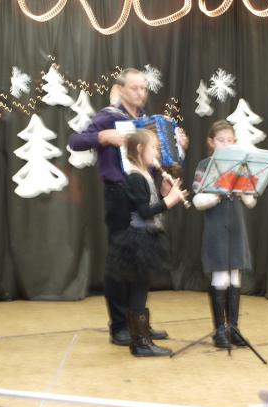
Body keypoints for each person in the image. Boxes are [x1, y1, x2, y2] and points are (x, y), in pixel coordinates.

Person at [69, 68, 187, 346]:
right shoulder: (109, 117)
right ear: (120, 89)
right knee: (121, 264)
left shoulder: (147, 122)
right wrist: (103, 137)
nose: (141, 93)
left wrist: (178, 147)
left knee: (140, 263)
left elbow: (157, 160)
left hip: (143, 192)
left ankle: (139, 324)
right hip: (119, 194)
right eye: (135, 88)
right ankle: (120, 326)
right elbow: (75, 141)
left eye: (144, 88)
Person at [109, 129, 187, 356]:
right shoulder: (134, 176)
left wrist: (163, 194)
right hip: (138, 239)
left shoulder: (143, 174)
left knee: (141, 289)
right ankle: (141, 343)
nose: (157, 153)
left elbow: (150, 205)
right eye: (154, 148)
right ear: (140, 149)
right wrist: (169, 201)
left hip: (145, 237)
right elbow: (144, 212)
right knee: (139, 289)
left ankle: (142, 338)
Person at [192, 120, 257, 349]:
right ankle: (219, 330)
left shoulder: (241, 167)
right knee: (220, 275)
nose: (226, 144)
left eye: (230, 140)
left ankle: (234, 328)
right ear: (211, 142)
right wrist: (219, 192)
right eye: (221, 140)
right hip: (217, 226)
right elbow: (197, 200)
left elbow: (250, 201)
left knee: (235, 277)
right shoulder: (205, 165)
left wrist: (245, 190)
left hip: (236, 226)